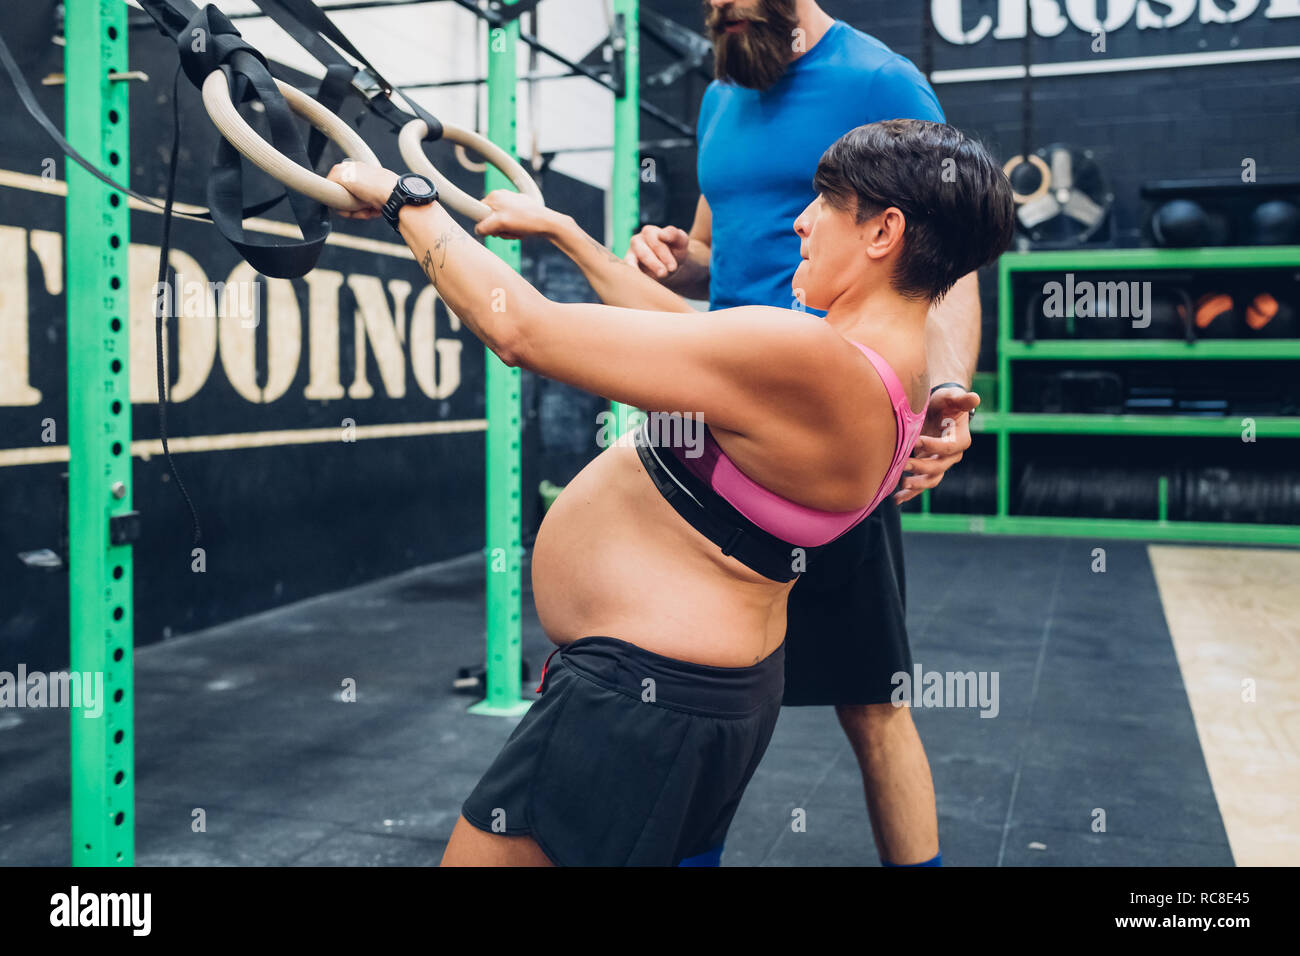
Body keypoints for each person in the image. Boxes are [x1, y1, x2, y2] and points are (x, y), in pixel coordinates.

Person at [329, 118, 1013, 866]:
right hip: (707, 698)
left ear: (883, 231)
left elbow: (522, 330)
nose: (801, 221)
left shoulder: (813, 358)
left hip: (639, 702)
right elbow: (689, 328)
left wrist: (407, 201)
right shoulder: (896, 368)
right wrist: (564, 231)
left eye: (824, 203)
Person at [623, 0, 981, 867]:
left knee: (874, 699)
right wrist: (678, 253)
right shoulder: (724, 89)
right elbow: (720, 247)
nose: (718, 9)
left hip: (824, 420)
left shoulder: (878, 80)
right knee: (698, 691)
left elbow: (948, 256)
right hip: (718, 414)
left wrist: (949, 386)